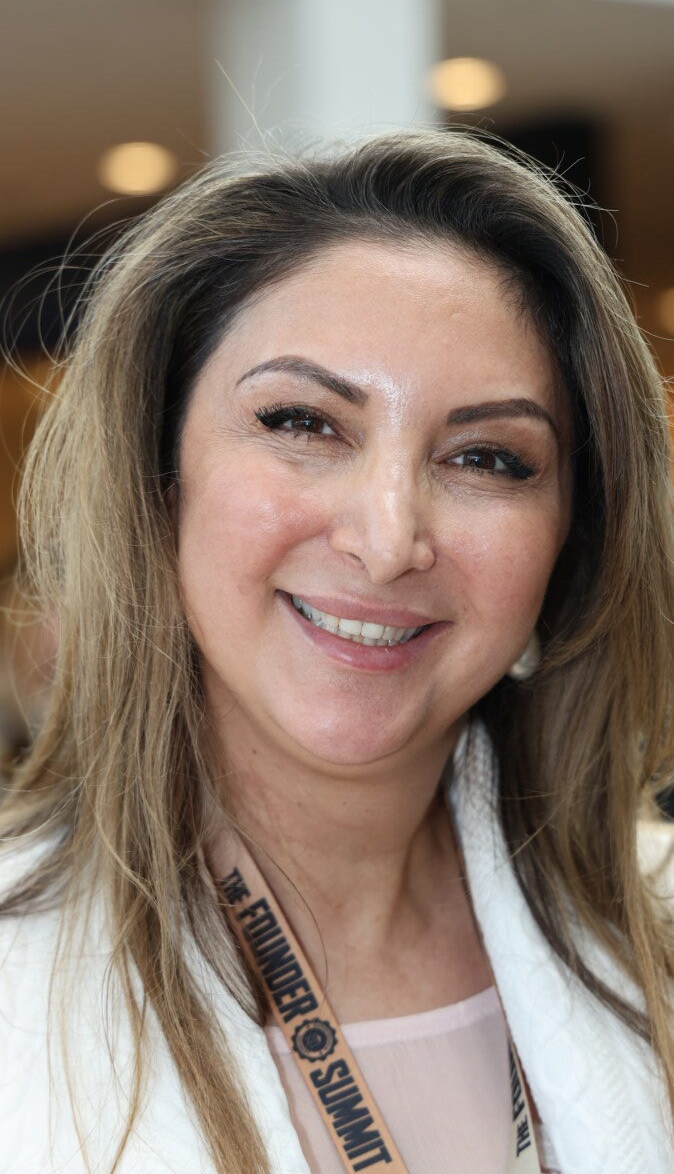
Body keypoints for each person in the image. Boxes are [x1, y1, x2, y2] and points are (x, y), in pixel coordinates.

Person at [1, 127, 673, 1174]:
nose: (388, 538)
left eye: (487, 457)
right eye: (302, 423)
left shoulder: (657, 936)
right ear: (157, 477)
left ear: (572, 538)